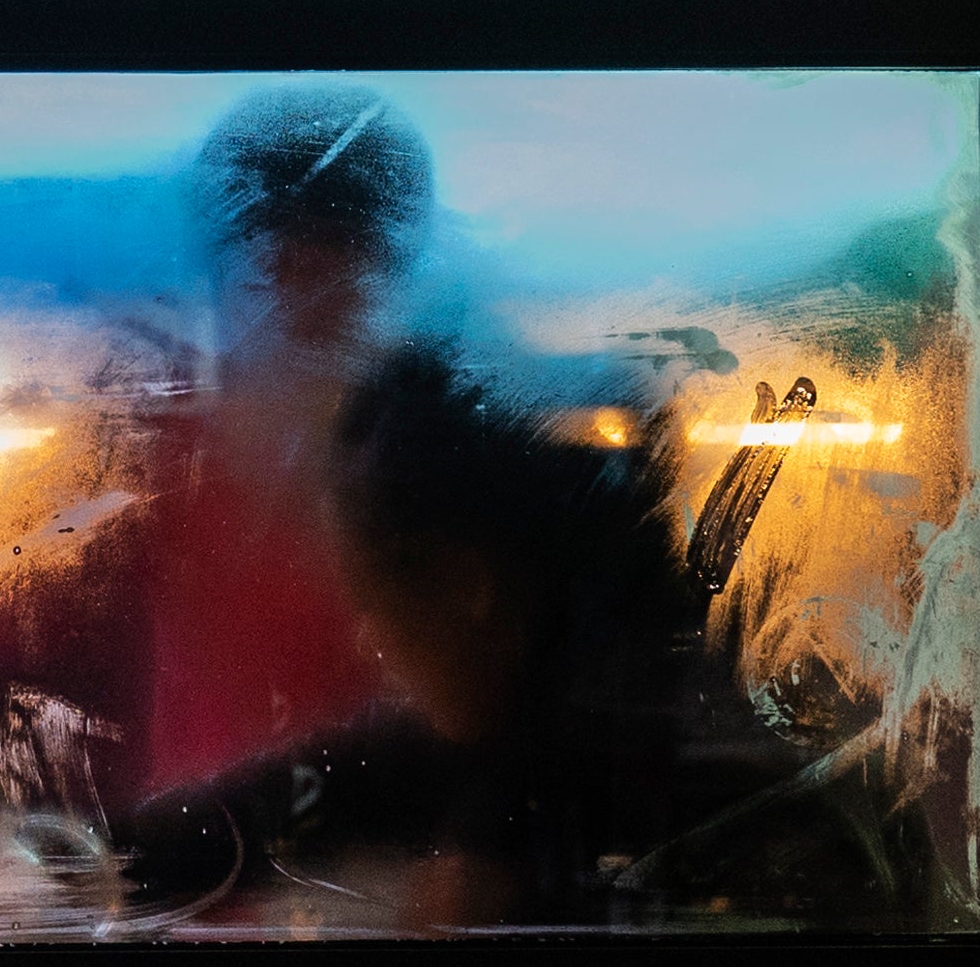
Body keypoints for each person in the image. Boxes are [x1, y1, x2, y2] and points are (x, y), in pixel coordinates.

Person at [118, 341, 927, 930]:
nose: (367, 637)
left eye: (378, 600)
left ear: (468, 587)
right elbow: (353, 778)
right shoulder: (531, 714)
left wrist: (502, 884)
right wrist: (135, 849)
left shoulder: (663, 757)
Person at [139, 86, 438, 793]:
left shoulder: (437, 482)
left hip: (358, 878)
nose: (293, 281)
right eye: (275, 251)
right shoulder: (154, 467)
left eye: (340, 256)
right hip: (196, 869)